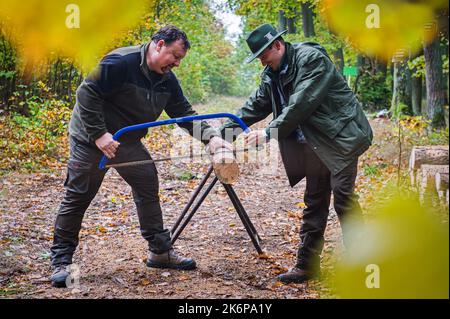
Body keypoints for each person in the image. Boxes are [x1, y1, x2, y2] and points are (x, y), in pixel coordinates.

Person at [50, 25, 232, 288]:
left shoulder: (166, 78)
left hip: (126, 140)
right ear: (158, 45)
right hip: (91, 139)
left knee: (147, 182)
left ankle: (159, 251)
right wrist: (99, 134)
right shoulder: (120, 63)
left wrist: (211, 138)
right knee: (78, 195)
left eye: (180, 59)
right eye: (175, 56)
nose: (177, 64)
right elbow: (86, 92)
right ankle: (61, 263)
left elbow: (183, 112)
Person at [220, 24, 373, 284]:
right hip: (313, 145)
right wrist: (219, 135)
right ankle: (307, 265)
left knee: (344, 199)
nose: (261, 62)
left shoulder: (311, 60)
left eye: (263, 55)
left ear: (277, 45)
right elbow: (255, 105)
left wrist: (268, 133)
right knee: (314, 200)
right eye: (257, 58)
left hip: (340, 138)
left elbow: (301, 103)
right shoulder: (272, 74)